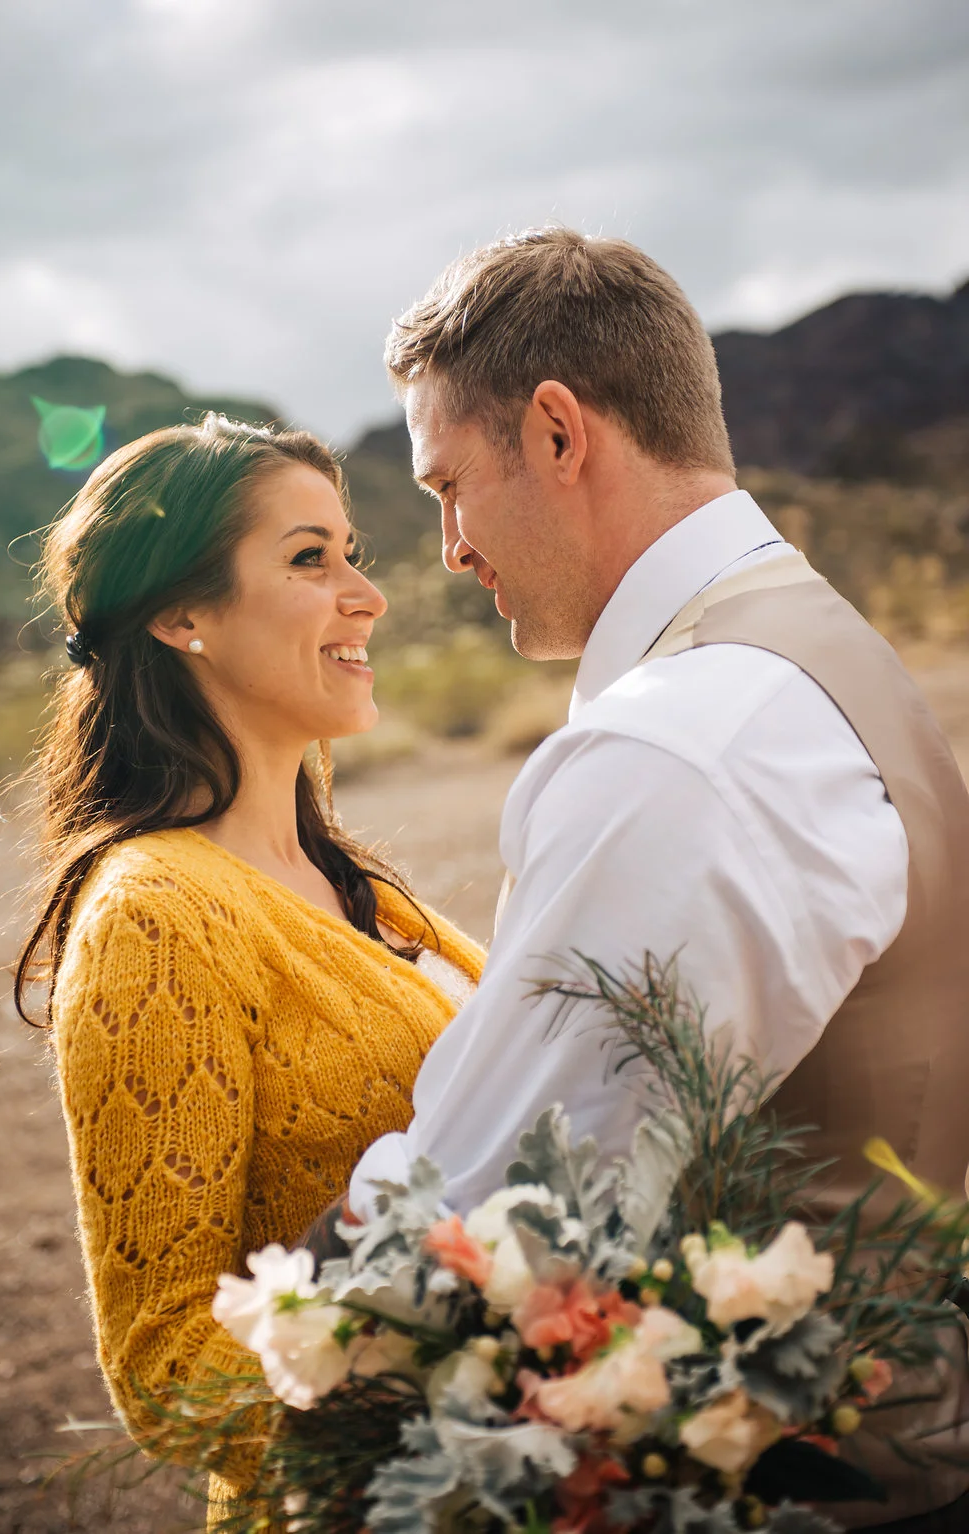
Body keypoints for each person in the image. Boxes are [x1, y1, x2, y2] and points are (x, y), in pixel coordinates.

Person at [339, 229, 969, 1530]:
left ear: (558, 433)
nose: (448, 547)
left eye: (449, 484)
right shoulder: (818, 651)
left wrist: (303, 1312)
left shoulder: (681, 745)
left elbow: (485, 1218)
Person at [15, 414, 485, 1509]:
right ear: (183, 615)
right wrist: (487, 1396)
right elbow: (168, 1366)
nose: (366, 596)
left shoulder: (360, 886)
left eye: (352, 554)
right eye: (309, 558)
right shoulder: (155, 919)